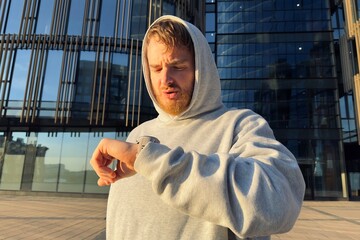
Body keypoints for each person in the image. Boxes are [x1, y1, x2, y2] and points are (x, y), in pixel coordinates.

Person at [90, 15, 305, 240]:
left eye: (177, 66)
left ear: (201, 68)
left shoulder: (239, 125)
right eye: (156, 68)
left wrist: (151, 160)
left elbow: (278, 204)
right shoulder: (138, 135)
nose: (166, 79)